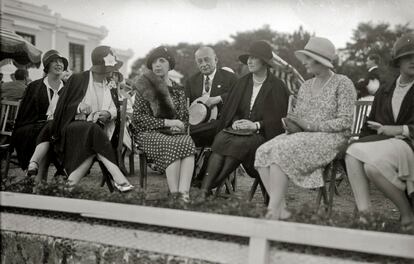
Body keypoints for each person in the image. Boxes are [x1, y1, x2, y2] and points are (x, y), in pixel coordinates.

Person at [255, 37, 357, 219]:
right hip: (304, 136)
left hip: (332, 137)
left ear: (320, 61)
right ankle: (282, 210)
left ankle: (271, 213)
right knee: (262, 151)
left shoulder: (343, 83)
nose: (304, 63)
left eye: (307, 59)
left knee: (280, 151)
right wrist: (292, 124)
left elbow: (345, 121)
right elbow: (300, 118)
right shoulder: (306, 86)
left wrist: (309, 125)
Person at [200, 40, 289, 195]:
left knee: (239, 144)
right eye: (249, 58)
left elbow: (279, 119)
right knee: (221, 138)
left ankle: (210, 185)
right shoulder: (242, 83)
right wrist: (235, 122)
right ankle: (204, 189)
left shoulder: (277, 86)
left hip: (262, 135)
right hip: (237, 131)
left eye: (254, 57)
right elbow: (232, 110)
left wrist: (255, 125)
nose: (249, 61)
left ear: (265, 62)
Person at [345, 34, 414, 231]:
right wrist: (359, 142)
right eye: (408, 56)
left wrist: (401, 129)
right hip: (387, 148)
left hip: (410, 145)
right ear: (398, 61)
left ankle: (405, 216)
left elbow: (394, 130)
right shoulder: (385, 90)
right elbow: (369, 125)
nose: (413, 61)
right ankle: (370, 218)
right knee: (370, 167)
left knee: (352, 151)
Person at [51, 46, 133, 192]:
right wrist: (78, 106)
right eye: (108, 67)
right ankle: (118, 177)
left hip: (97, 134)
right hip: (73, 129)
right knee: (92, 130)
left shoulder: (111, 85)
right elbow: (61, 107)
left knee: (91, 146)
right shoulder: (78, 79)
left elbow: (116, 108)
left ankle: (68, 187)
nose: (110, 71)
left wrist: (108, 113)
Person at [131, 46, 196, 201]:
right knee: (172, 145)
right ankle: (175, 195)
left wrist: (178, 124)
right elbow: (137, 119)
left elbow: (184, 119)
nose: (157, 65)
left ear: (169, 64)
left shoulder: (178, 89)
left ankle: (184, 195)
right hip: (147, 133)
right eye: (154, 62)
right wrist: (167, 122)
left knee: (187, 141)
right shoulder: (144, 85)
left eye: (162, 61)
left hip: (172, 133)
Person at [12, 50, 68, 177]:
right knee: (48, 133)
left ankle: (35, 169)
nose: (59, 64)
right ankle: (41, 183)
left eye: (61, 62)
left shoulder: (67, 87)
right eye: (55, 61)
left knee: (52, 129)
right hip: (34, 126)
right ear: (47, 65)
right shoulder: (34, 86)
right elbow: (25, 114)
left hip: (59, 128)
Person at [185, 46, 237, 147]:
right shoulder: (191, 81)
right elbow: (185, 105)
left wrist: (219, 98)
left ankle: (185, 132)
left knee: (218, 125)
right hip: (197, 123)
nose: (204, 64)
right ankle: (187, 131)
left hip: (219, 123)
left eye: (207, 60)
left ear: (216, 60)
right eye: (200, 61)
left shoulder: (229, 77)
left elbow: (238, 94)